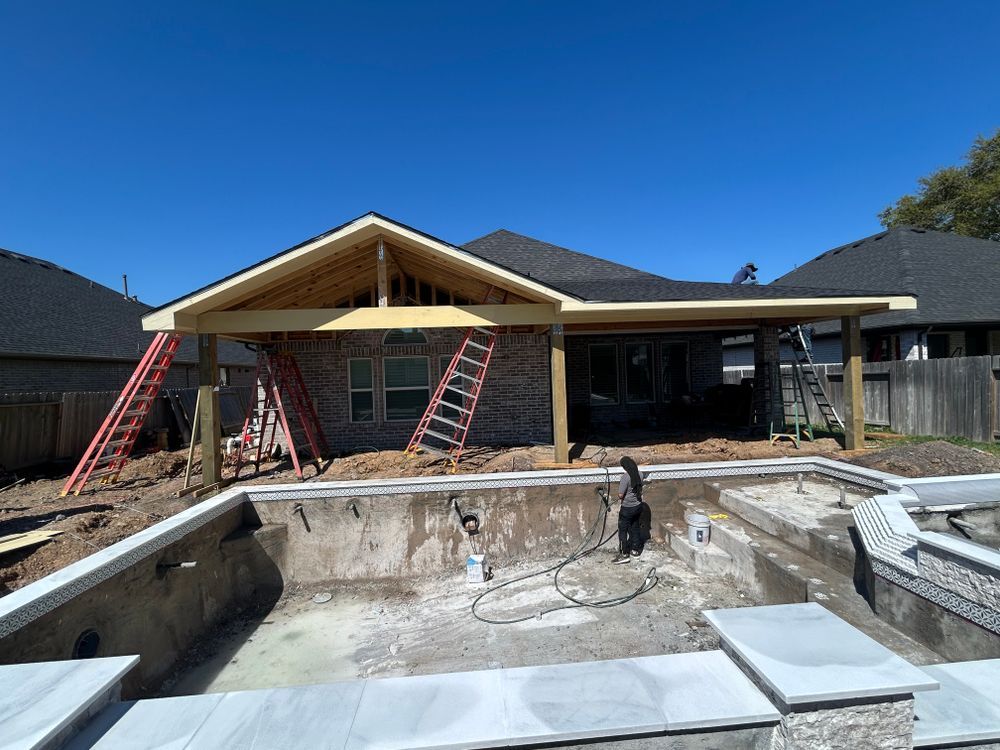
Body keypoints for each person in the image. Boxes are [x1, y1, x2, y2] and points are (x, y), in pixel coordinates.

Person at [612, 456, 646, 563]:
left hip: (627, 508)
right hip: (638, 506)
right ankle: (635, 550)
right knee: (635, 527)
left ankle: (624, 554)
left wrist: (619, 496)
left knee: (623, 530)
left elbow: (621, 495)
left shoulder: (625, 477)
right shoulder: (639, 474)